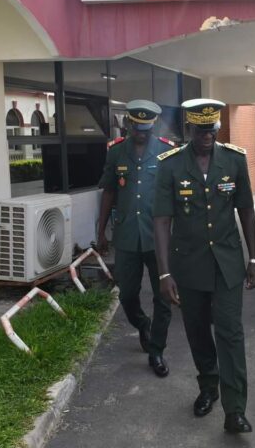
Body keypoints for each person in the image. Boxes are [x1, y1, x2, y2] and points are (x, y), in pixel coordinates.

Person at [153, 98, 255, 434]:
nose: (207, 137)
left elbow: (245, 209)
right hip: (189, 266)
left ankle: (235, 409)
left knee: (230, 332)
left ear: (217, 128)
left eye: (211, 130)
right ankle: (208, 385)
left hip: (227, 262)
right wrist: (165, 271)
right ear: (190, 129)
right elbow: (161, 220)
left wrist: (254, 258)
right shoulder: (170, 165)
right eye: (201, 131)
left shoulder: (233, 159)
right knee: (198, 332)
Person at [96, 99, 174, 378]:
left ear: (153, 126)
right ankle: (142, 323)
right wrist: (100, 230)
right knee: (127, 294)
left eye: (147, 128)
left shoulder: (166, 152)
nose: (142, 132)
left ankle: (156, 351)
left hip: (159, 240)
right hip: (127, 236)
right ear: (129, 124)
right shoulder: (116, 153)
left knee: (163, 297)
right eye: (137, 127)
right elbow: (108, 192)